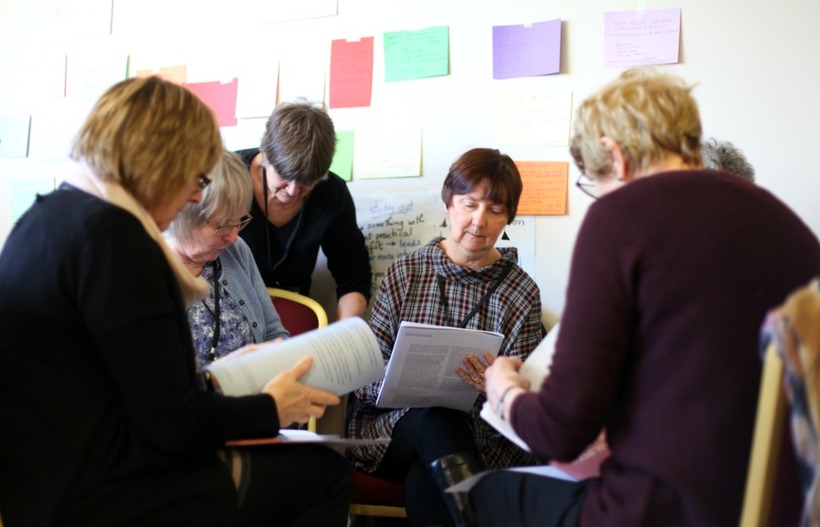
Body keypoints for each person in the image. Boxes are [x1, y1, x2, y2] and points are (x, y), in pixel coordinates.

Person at [468, 69, 820, 527]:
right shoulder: (788, 226)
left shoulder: (623, 219)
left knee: (489, 493)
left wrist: (504, 392)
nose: (600, 199)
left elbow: (559, 433)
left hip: (666, 511)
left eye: (595, 181)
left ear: (615, 156)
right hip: (782, 509)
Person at [0, 76, 350, 527]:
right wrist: (270, 409)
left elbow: (134, 387)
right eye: (196, 177)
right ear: (162, 163)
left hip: (40, 485)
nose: (194, 195)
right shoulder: (118, 241)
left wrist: (219, 384)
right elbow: (175, 424)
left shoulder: (41, 218)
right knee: (325, 473)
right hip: (104, 493)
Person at [348, 147, 544, 527]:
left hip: (482, 439)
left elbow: (527, 398)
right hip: (395, 429)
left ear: (508, 218)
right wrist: (397, 381)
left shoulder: (521, 291)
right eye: (469, 204)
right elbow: (364, 375)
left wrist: (494, 387)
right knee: (436, 417)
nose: (478, 221)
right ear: (448, 202)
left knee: (426, 484)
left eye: (495, 211)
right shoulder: (406, 273)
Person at [237, 98, 371, 320]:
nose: (292, 191)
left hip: (293, 317)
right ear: (265, 156)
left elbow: (353, 275)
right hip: (228, 312)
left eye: (307, 183)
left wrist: (342, 335)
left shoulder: (332, 193)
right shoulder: (227, 176)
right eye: (284, 178)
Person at [166, 148, 289, 364]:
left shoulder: (236, 250)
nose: (233, 236)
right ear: (183, 217)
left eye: (238, 221)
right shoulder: (148, 271)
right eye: (222, 226)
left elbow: (273, 333)